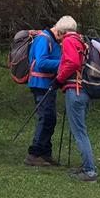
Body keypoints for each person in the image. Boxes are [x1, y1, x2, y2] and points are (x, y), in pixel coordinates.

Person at [55, 18, 98, 182]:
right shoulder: (82, 40)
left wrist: (59, 79)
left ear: (61, 30)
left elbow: (72, 63)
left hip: (75, 90)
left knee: (79, 132)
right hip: (85, 89)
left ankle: (90, 171)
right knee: (81, 130)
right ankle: (87, 166)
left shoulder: (69, 41)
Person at [24, 18, 68, 167]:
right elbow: (41, 63)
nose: (64, 41)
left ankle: (45, 153)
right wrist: (64, 62)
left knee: (50, 118)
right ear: (60, 31)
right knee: (46, 117)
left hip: (49, 83)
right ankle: (34, 154)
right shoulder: (44, 39)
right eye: (64, 36)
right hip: (40, 84)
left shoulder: (53, 40)